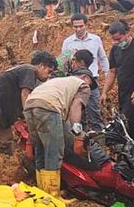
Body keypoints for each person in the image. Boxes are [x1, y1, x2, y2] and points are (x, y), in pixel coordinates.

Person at [0, 52, 57, 181]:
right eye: (49, 71)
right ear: (41, 66)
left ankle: (6, 170)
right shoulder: (29, 70)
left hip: (1, 110)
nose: (49, 76)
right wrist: (30, 117)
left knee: (6, 141)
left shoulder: (24, 72)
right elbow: (25, 94)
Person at [23, 69, 95, 199]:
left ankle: (43, 193)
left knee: (40, 149)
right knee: (54, 151)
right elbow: (76, 108)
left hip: (29, 105)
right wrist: (78, 135)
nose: (90, 86)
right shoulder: (83, 85)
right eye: (91, 82)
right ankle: (53, 196)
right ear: (84, 77)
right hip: (48, 107)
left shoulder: (60, 82)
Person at [101, 20, 134, 144]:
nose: (116, 42)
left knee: (127, 121)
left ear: (127, 33)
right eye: (113, 40)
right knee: (128, 125)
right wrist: (104, 92)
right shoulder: (115, 49)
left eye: (119, 39)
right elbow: (112, 72)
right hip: (123, 93)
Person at [60, 13, 110, 131]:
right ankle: (81, 138)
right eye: (75, 27)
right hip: (75, 82)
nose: (78, 29)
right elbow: (63, 62)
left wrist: (107, 74)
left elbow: (103, 58)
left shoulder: (95, 39)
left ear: (86, 25)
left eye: (81, 26)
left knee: (94, 111)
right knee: (77, 112)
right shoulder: (68, 42)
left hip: (92, 81)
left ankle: (98, 136)